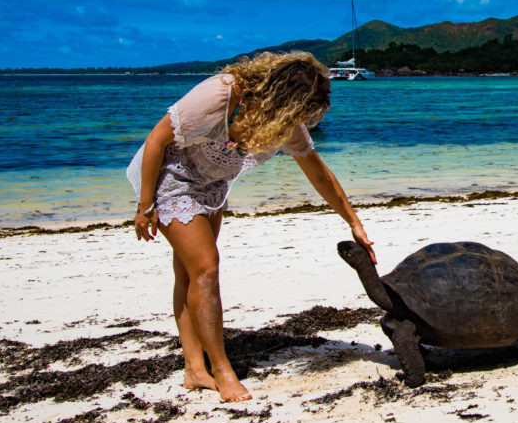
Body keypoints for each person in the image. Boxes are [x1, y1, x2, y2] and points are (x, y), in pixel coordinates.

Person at [127, 51, 375, 402]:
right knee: (206, 269)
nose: (305, 119)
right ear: (283, 100)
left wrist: (354, 221)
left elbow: (318, 173)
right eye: (303, 110)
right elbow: (156, 140)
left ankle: (194, 370)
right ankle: (222, 369)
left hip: (210, 187)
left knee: (189, 273)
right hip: (171, 180)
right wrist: (146, 206)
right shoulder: (221, 95)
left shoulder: (284, 125)